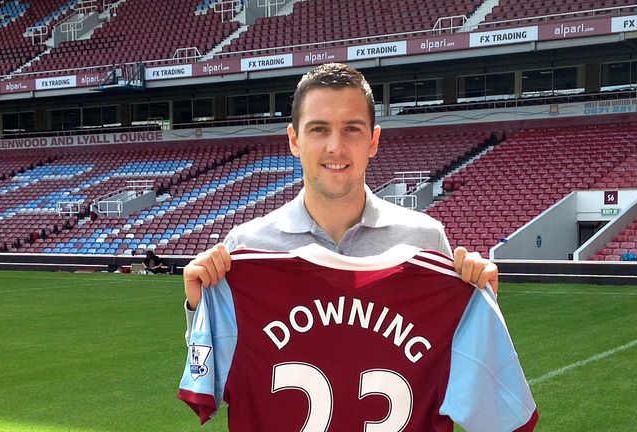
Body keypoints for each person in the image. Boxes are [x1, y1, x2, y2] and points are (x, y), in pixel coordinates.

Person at [182, 62, 499, 324]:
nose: (336, 147)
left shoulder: (425, 240)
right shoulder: (247, 248)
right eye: (319, 129)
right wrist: (199, 309)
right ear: (294, 140)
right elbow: (217, 379)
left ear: (373, 141)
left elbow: (456, 372)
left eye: (352, 129)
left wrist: (480, 308)